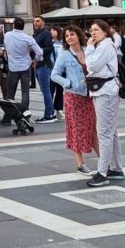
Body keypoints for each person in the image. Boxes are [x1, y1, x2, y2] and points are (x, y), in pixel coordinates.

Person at [51, 25, 99, 174]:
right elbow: (54, 74)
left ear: (78, 35)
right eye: (66, 36)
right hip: (73, 96)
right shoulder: (64, 54)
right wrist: (68, 83)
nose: (69, 37)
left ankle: (104, 161)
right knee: (76, 129)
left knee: (92, 129)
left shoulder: (88, 50)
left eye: (72, 34)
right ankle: (80, 164)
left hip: (90, 95)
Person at [85, 19, 124, 187]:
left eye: (97, 30)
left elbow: (92, 65)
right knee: (111, 131)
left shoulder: (105, 45)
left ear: (105, 32)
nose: (93, 33)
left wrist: (89, 48)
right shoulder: (104, 45)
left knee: (104, 133)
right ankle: (116, 168)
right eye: (91, 30)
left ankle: (103, 172)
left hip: (106, 92)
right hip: (104, 90)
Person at [2, 18, 43, 122]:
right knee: (25, 92)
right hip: (25, 66)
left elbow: (6, 48)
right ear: (23, 26)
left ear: (13, 25)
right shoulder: (28, 38)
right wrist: (35, 60)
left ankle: (8, 117)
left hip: (13, 67)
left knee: (11, 93)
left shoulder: (7, 36)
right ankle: (25, 114)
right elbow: (39, 52)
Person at [32, 16, 56, 123]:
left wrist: (39, 51)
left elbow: (50, 48)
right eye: (34, 21)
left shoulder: (45, 33)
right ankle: (49, 113)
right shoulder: (35, 34)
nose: (35, 23)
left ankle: (49, 114)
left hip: (44, 65)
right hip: (38, 65)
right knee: (44, 90)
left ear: (43, 22)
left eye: (38, 21)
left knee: (45, 90)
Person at [50, 25, 65, 121]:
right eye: (51, 30)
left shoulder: (62, 43)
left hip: (62, 70)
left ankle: (59, 109)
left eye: (53, 30)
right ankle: (50, 109)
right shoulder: (50, 43)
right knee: (50, 90)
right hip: (52, 69)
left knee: (60, 91)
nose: (51, 32)